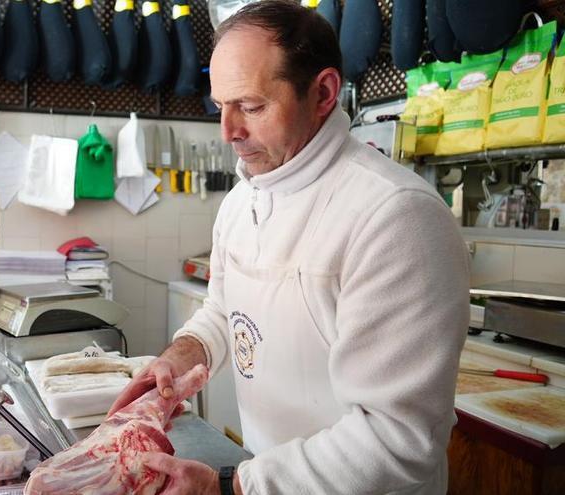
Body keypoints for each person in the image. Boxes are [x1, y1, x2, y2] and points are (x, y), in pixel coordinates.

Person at [108, 1, 470, 494]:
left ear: (322, 92)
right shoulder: (242, 200)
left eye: (252, 107)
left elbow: (397, 437)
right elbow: (223, 309)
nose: (229, 132)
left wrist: (233, 485)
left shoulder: (395, 216)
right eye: (221, 107)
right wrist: (178, 358)